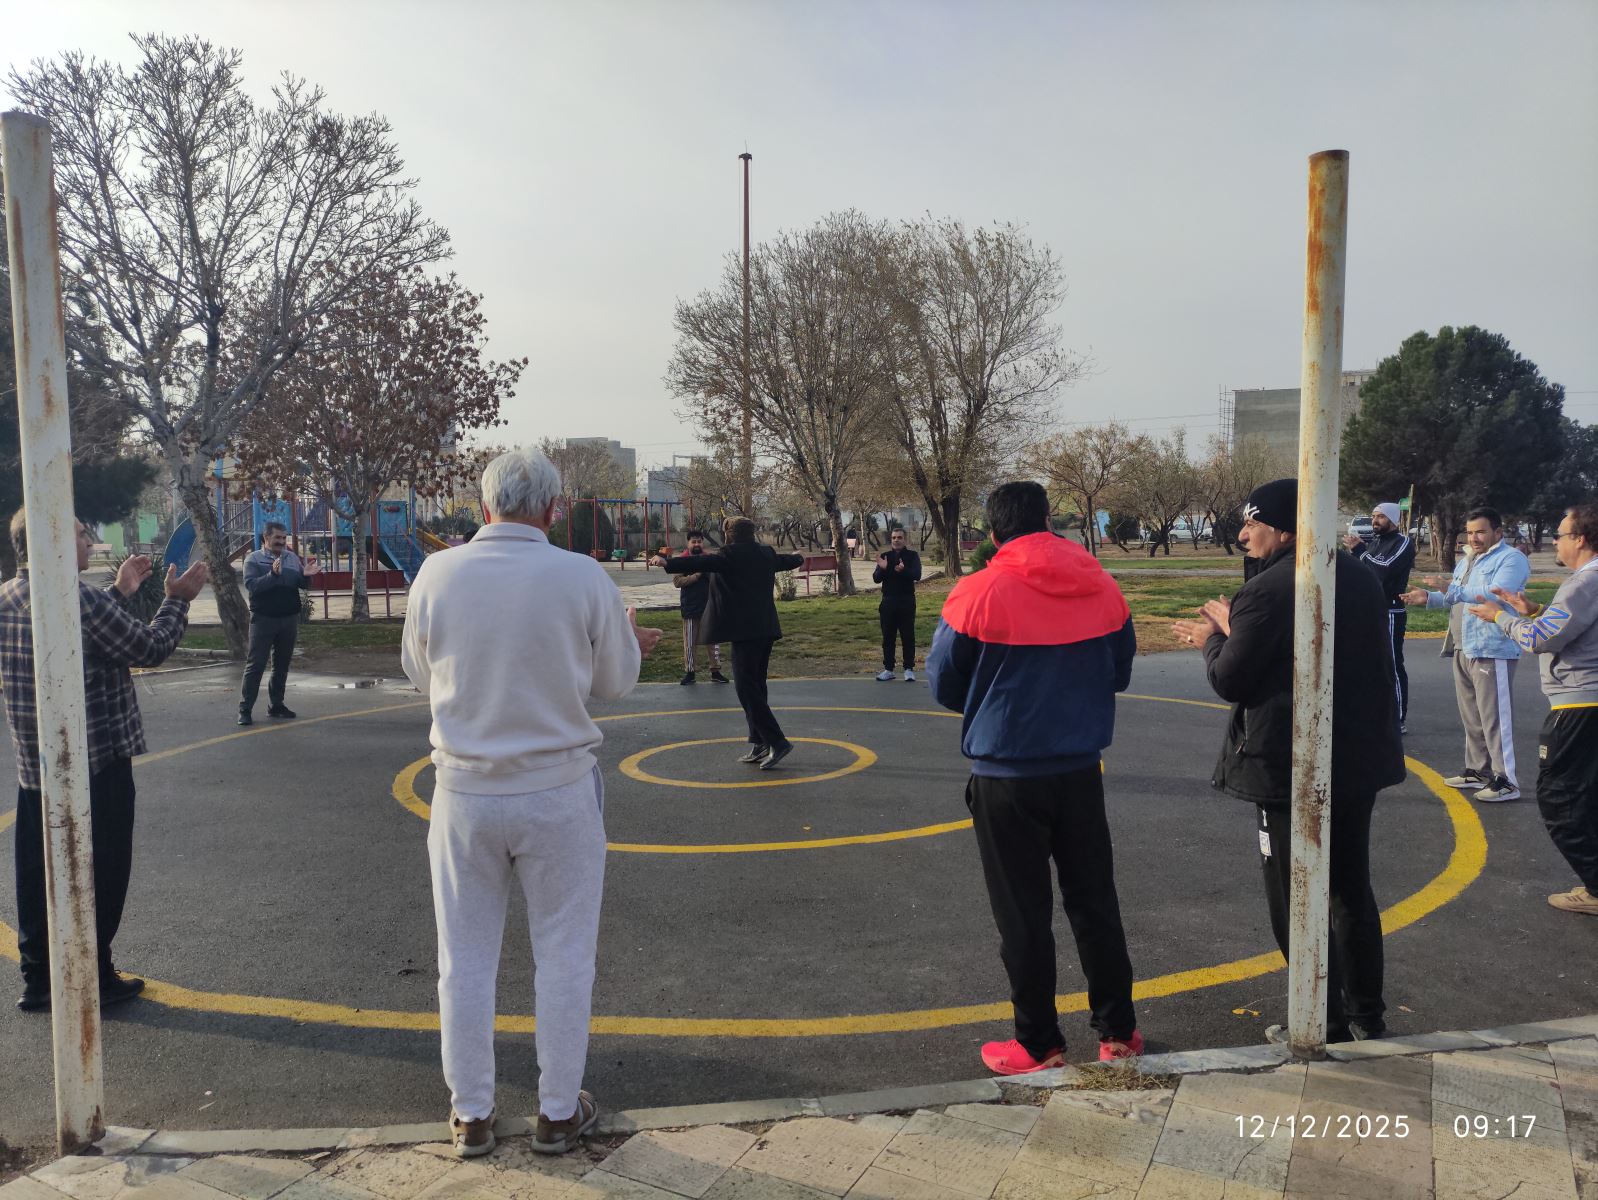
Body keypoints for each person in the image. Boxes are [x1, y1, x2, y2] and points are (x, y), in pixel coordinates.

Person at [401, 447, 662, 1158]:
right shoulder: (580, 575)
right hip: (557, 791)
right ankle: (557, 1110)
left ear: (485, 505)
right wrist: (626, 641)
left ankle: (471, 1112)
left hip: (464, 791)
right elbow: (614, 683)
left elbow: (419, 671)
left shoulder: (438, 573)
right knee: (565, 955)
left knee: (464, 957)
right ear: (552, 508)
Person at [1172, 478, 1404, 1044]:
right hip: (1357, 758)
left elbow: (1232, 678)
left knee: (1294, 896)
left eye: (1252, 523)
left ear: (1283, 529)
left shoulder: (1273, 589)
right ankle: (1365, 1016)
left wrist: (1212, 637)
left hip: (1289, 764)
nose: (1242, 535)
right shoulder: (1356, 575)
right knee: (1349, 889)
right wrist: (1238, 628)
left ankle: (1321, 1020)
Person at [926, 481, 1144, 1073]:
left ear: (992, 531)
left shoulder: (977, 591)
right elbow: (1119, 671)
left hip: (1007, 773)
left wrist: (994, 701)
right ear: (1049, 519)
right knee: (1095, 902)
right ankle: (1118, 1032)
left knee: (1022, 913)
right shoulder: (1101, 582)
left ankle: (1038, 1042)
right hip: (1079, 769)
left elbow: (945, 682)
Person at [2, 512, 209, 1013]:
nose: (89, 541)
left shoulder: (7, 596)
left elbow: (77, 640)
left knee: (39, 872)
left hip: (36, 768)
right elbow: (149, 647)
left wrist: (119, 592)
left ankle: (39, 978)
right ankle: (93, 972)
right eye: (79, 533)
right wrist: (177, 600)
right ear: (54, 540)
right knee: (102, 871)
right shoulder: (79, 599)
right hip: (98, 764)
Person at [1467, 503, 1598, 915]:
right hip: (1587, 703)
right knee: (1587, 795)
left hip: (1580, 704)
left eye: (1559, 535)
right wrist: (1535, 611)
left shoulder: (1584, 582)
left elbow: (1539, 639)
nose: (1554, 542)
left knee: (1560, 798)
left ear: (1580, 539)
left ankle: (1596, 887)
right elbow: (1571, 628)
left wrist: (1501, 618)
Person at [651, 520, 804, 770]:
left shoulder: (728, 555)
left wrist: (667, 562)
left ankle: (777, 741)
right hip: (766, 630)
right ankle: (760, 742)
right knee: (757, 687)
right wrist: (798, 558)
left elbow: (700, 562)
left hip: (744, 633)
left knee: (746, 689)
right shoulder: (766, 553)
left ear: (729, 534)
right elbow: (785, 561)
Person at [1401, 506, 1530, 802]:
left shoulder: (1511, 559)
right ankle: (1477, 771)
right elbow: (1455, 597)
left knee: (1495, 718)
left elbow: (1497, 592)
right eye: (1470, 532)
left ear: (1498, 532)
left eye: (1480, 532)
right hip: (1463, 646)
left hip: (1492, 648)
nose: (1473, 538)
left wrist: (1452, 589)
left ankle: (1506, 780)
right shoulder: (1467, 560)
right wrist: (1429, 597)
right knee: (1472, 717)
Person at [1344, 502, 1416, 731]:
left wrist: (1360, 552)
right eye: (1374, 516)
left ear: (1393, 520)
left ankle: (1397, 718)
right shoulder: (1374, 543)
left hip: (1390, 611)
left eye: (1381, 517)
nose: (1375, 521)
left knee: (1391, 664)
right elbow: (1363, 573)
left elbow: (1383, 570)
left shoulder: (1403, 542)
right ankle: (1373, 714)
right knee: (1367, 664)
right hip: (1368, 610)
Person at [238, 521, 313, 726]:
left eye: (283, 538)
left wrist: (306, 577)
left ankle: (276, 705)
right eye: (277, 538)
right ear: (266, 538)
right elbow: (252, 586)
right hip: (263, 619)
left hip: (288, 619)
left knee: (281, 665)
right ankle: (245, 709)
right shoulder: (254, 560)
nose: (281, 541)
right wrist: (272, 575)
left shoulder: (291, 558)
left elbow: (300, 584)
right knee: (256, 665)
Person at [672, 530, 727, 686]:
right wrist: (696, 575)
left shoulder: (709, 559)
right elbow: (677, 581)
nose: (696, 544)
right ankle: (690, 673)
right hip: (690, 607)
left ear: (703, 542)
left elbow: (718, 578)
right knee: (690, 643)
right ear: (688, 543)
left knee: (714, 642)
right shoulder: (682, 560)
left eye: (699, 541)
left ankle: (716, 671)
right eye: (693, 542)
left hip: (709, 607)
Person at [873, 528, 923, 682]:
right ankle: (889, 669)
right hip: (888, 601)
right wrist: (883, 568)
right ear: (891, 539)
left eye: (899, 537)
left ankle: (908, 669)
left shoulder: (912, 556)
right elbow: (876, 578)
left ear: (905, 539)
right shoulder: (885, 556)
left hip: (906, 601)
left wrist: (903, 570)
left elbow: (917, 575)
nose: (896, 540)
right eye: (894, 537)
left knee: (908, 636)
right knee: (888, 637)